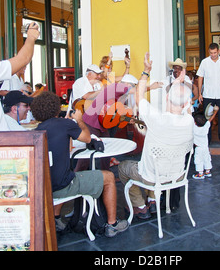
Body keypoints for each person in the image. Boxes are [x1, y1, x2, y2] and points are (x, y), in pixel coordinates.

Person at [30, 91, 129, 237]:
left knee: (60, 174)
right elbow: (87, 138)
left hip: (43, 187)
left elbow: (68, 148)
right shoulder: (65, 124)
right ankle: (112, 224)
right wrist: (79, 120)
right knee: (108, 177)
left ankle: (56, 219)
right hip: (64, 185)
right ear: (57, 108)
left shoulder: (36, 131)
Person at [118, 52, 194, 219]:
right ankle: (153, 200)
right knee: (155, 164)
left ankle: (139, 206)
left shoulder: (156, 118)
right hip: (177, 174)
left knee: (124, 167)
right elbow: (187, 109)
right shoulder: (189, 122)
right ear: (188, 103)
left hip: (153, 176)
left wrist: (146, 70)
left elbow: (138, 96)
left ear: (166, 97)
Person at [74, 76, 138, 172]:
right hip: (92, 122)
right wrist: (150, 85)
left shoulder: (120, 94)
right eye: (133, 86)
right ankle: (77, 174)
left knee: (106, 149)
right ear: (128, 84)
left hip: (101, 122)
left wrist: (127, 118)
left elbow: (114, 112)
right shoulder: (116, 87)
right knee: (87, 153)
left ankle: (106, 173)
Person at [197, 43, 220, 146]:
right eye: (211, 53)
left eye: (215, 53)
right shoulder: (204, 62)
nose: (213, 55)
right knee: (207, 117)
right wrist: (200, 93)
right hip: (208, 94)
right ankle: (206, 140)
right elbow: (200, 77)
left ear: (218, 51)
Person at [192, 110, 218, 180]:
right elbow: (210, 120)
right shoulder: (205, 127)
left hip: (198, 148)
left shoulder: (194, 128)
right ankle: (207, 171)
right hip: (205, 148)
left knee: (198, 160)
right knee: (207, 159)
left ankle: (200, 174)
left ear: (195, 122)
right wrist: (215, 112)